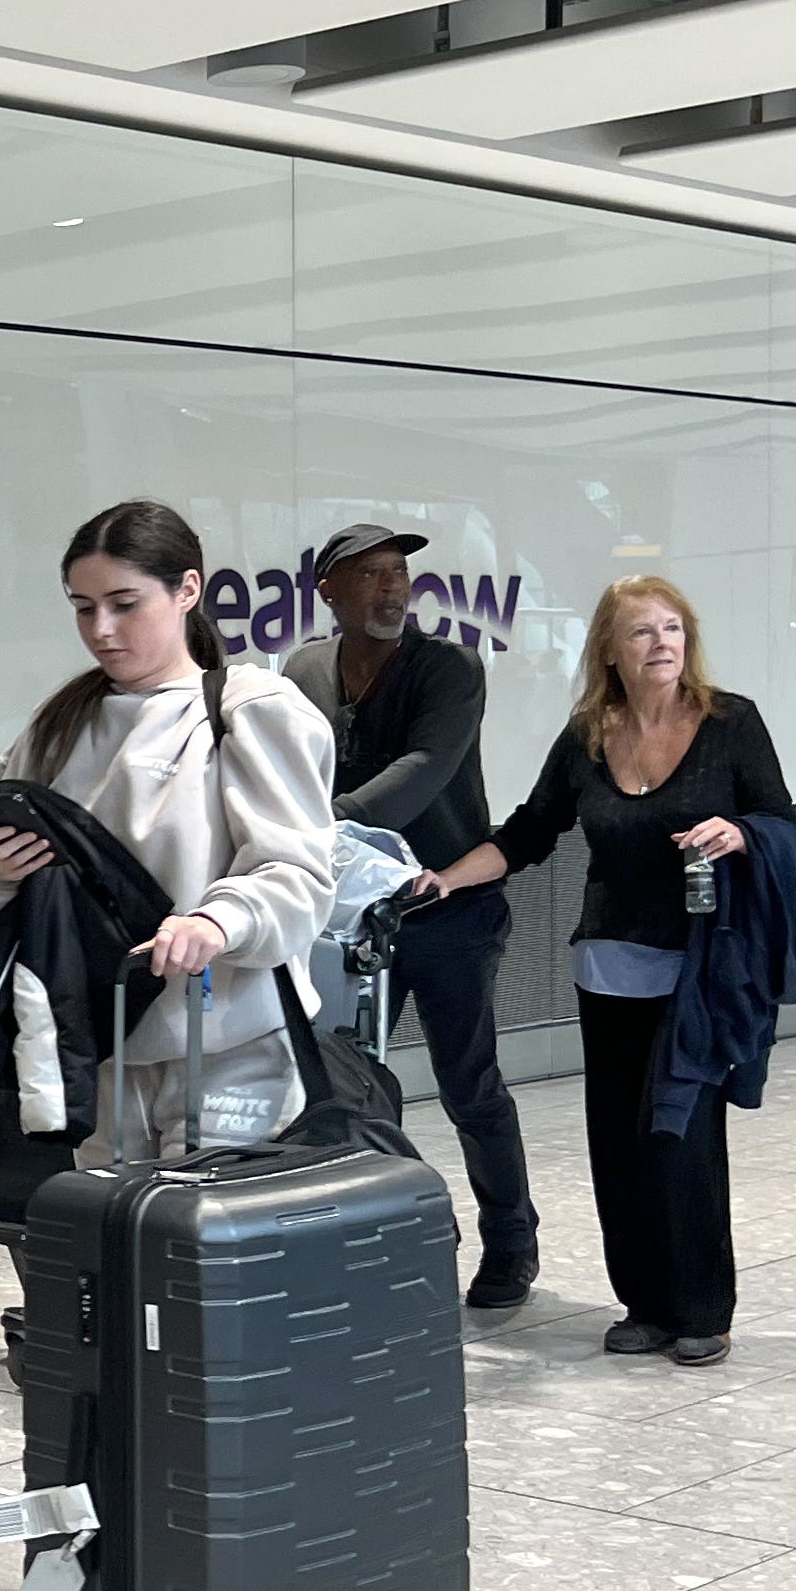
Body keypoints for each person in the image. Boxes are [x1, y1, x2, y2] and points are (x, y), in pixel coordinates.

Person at [418, 574, 794, 1368]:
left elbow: (777, 820)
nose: (661, 644)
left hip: (697, 967)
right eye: (641, 633)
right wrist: (449, 877)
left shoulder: (730, 723)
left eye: (672, 629)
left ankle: (701, 1308)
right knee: (618, 1142)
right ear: (609, 652)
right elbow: (529, 831)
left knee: (683, 1137)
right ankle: (645, 1306)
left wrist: (739, 832)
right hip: (609, 967)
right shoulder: (590, 734)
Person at [0, 500, 339, 1162]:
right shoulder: (55, 727)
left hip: (233, 1046)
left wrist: (218, 921)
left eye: (124, 603)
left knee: (208, 1251)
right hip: (97, 1053)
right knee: (109, 1250)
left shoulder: (249, 710)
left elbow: (299, 875)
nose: (101, 629)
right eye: (83, 607)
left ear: (187, 590)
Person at [280, 523, 542, 1310]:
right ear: (329, 590)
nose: (392, 588)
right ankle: (372, 1247)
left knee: (469, 1085)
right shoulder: (302, 671)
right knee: (344, 1089)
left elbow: (425, 769)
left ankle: (511, 1244)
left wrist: (316, 827)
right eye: (370, 576)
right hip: (348, 921)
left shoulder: (450, 668)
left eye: (399, 574)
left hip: (447, 910)